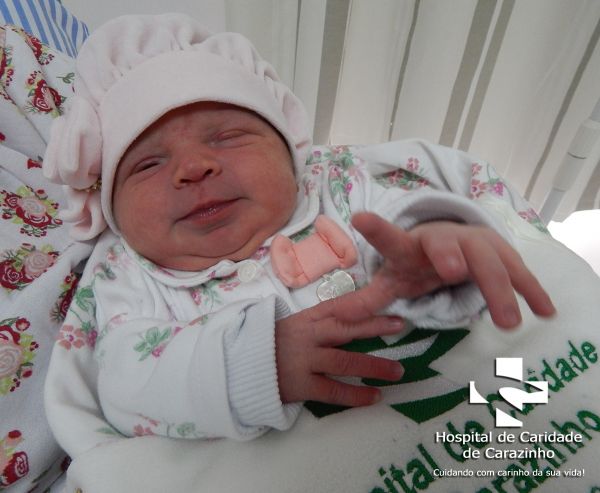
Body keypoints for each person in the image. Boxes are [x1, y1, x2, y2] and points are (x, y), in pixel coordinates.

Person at [43, 13, 555, 443]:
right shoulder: (127, 276)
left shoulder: (338, 188)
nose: (193, 167)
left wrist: (435, 248)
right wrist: (248, 365)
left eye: (227, 136)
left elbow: (404, 210)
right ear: (112, 211)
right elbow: (121, 385)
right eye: (148, 165)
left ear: (290, 154)